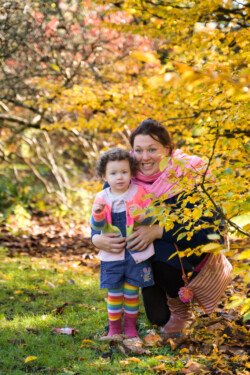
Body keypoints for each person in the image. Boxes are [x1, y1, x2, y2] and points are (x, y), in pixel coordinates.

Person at [92, 118, 226, 338]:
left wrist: (159, 230)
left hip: (186, 257)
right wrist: (96, 238)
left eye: (152, 149)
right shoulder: (123, 177)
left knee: (161, 248)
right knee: (157, 318)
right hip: (142, 259)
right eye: (138, 150)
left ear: (168, 149)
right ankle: (164, 305)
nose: (144, 157)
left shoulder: (190, 175)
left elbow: (214, 233)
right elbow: (101, 216)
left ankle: (183, 309)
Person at [90, 148, 155, 339]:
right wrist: (97, 214)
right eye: (113, 173)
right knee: (115, 291)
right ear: (104, 176)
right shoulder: (102, 198)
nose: (119, 177)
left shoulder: (139, 192)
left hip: (136, 251)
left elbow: (151, 218)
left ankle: (131, 328)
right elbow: (97, 225)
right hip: (113, 252)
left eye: (124, 172)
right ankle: (114, 329)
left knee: (132, 291)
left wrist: (142, 215)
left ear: (131, 173)